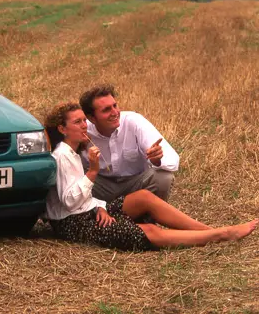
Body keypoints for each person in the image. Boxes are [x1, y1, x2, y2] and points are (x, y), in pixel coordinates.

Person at [44, 102, 257, 251]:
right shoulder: (62, 155)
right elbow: (70, 203)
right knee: (149, 230)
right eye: (77, 122)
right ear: (62, 129)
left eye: (84, 121)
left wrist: (99, 206)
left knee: (144, 197)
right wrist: (92, 171)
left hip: (88, 212)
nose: (84, 126)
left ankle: (212, 230)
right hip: (73, 224)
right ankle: (219, 236)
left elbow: (82, 198)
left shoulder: (74, 151)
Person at [79, 84, 177, 202]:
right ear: (91, 118)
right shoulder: (83, 132)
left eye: (115, 106)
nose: (115, 112)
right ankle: (96, 215)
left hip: (135, 185)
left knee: (163, 177)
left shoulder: (134, 121)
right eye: (106, 110)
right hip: (101, 187)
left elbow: (172, 160)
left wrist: (156, 160)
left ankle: (147, 218)